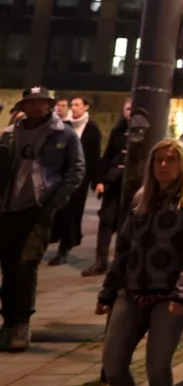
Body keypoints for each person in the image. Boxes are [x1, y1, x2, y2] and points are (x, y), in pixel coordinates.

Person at [97, 138, 183, 386]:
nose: (163, 165)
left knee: (157, 367)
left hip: (170, 295)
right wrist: (108, 292)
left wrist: (182, 293)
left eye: (170, 159)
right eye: (158, 160)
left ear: (182, 163)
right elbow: (123, 248)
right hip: (133, 292)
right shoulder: (141, 197)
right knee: (113, 364)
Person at [0, 86, 85, 352]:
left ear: (49, 105)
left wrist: (56, 202)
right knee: (9, 266)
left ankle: (22, 324)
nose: (37, 107)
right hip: (7, 209)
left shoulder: (64, 134)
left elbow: (76, 170)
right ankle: (9, 321)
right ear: (23, 106)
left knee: (26, 264)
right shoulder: (11, 134)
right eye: (31, 102)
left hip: (38, 210)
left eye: (42, 103)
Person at [50, 96, 103, 266]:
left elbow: (95, 157)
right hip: (61, 175)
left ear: (86, 107)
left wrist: (97, 181)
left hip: (80, 178)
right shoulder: (66, 126)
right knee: (58, 211)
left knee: (72, 212)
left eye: (77, 105)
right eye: (72, 105)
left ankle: (64, 248)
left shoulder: (92, 129)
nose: (74, 108)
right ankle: (59, 241)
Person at [86, 100, 131, 277]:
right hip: (113, 181)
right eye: (128, 109)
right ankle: (100, 262)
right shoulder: (117, 131)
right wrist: (99, 181)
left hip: (131, 185)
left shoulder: (146, 132)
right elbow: (107, 156)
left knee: (125, 224)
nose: (131, 112)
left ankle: (121, 264)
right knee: (106, 222)